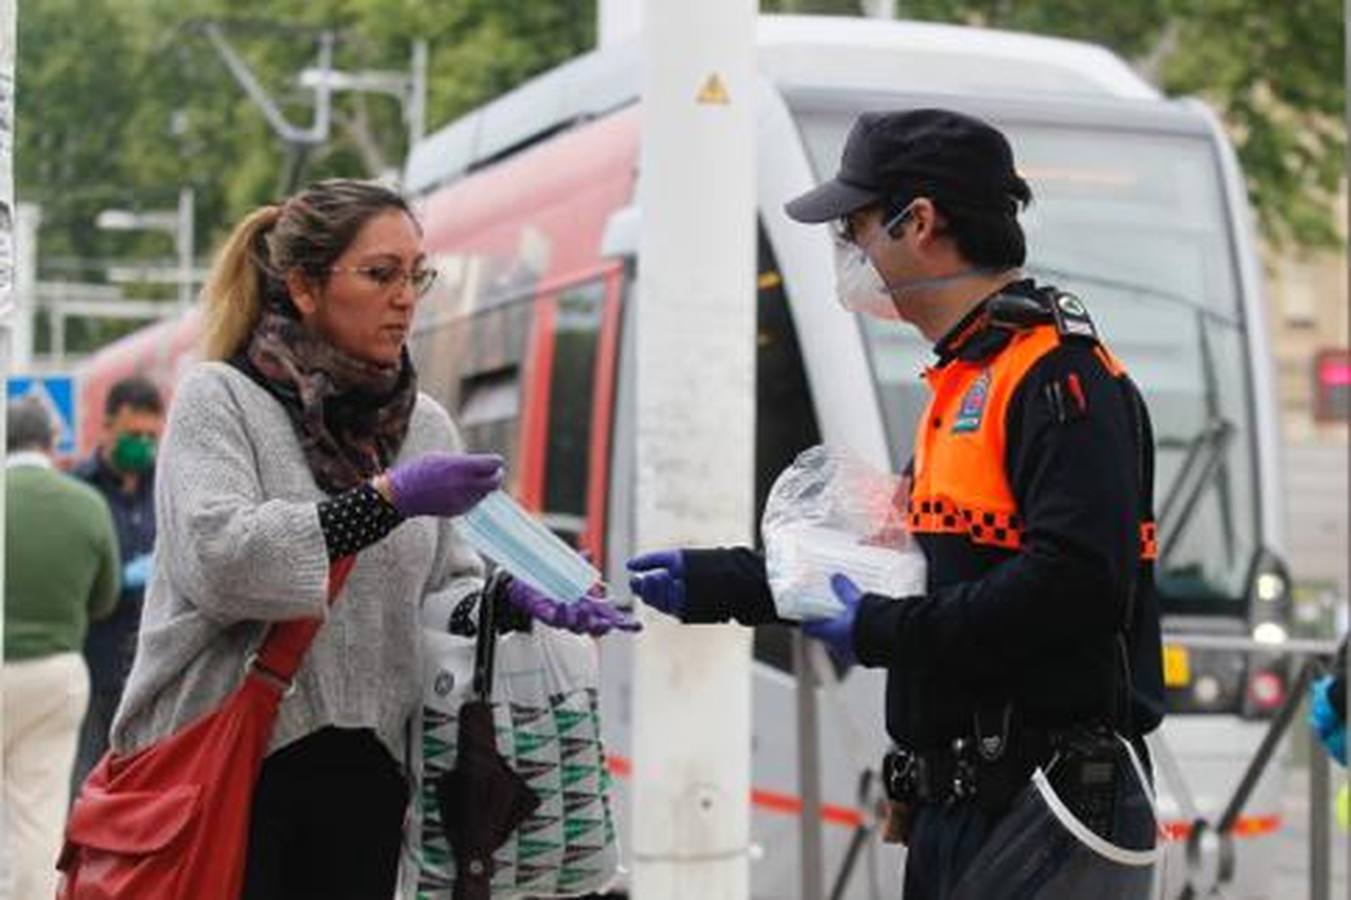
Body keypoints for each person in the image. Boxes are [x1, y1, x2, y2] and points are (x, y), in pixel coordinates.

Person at [628, 109, 1165, 897]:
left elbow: (1077, 584)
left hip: (1038, 811)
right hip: (964, 811)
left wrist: (882, 631)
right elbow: (899, 564)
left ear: (919, 222)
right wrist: (723, 582)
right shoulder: (967, 374)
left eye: (854, 225)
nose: (845, 248)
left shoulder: (1059, 378)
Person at [107, 179, 637, 900]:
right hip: (226, 772)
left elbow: (441, 594)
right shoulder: (221, 400)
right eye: (380, 274)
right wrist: (386, 501)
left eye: (415, 274)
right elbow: (223, 561)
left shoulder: (424, 426)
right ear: (302, 287)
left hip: (372, 782)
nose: (405, 296)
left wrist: (513, 601)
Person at [3, 397, 120, 900]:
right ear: (52, 444)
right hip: (55, 673)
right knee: (39, 815)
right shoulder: (85, 505)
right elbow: (106, 597)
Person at [70, 375, 164, 794]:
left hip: (151, 667)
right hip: (95, 662)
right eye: (133, 434)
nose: (142, 444)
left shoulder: (165, 487)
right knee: (86, 785)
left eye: (151, 435)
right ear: (107, 427)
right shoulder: (78, 491)